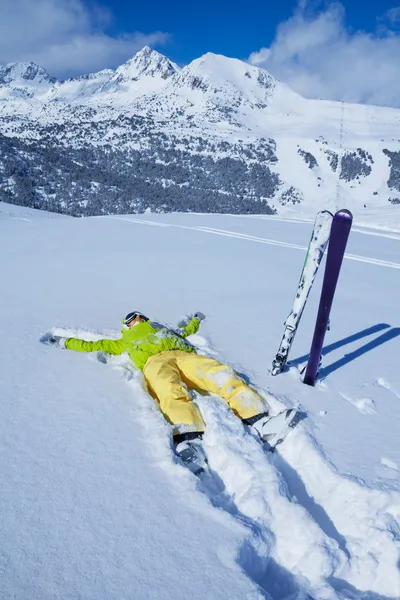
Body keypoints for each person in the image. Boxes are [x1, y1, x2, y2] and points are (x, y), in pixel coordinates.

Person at [47, 311, 296, 474]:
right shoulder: (123, 340)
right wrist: (63, 341)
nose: (137, 320)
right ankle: (190, 439)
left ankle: (259, 420)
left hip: (184, 356)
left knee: (220, 373)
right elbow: (93, 344)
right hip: (154, 362)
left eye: (139, 317)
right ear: (126, 327)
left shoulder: (163, 329)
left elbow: (187, 329)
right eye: (131, 320)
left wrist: (196, 319)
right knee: (168, 391)